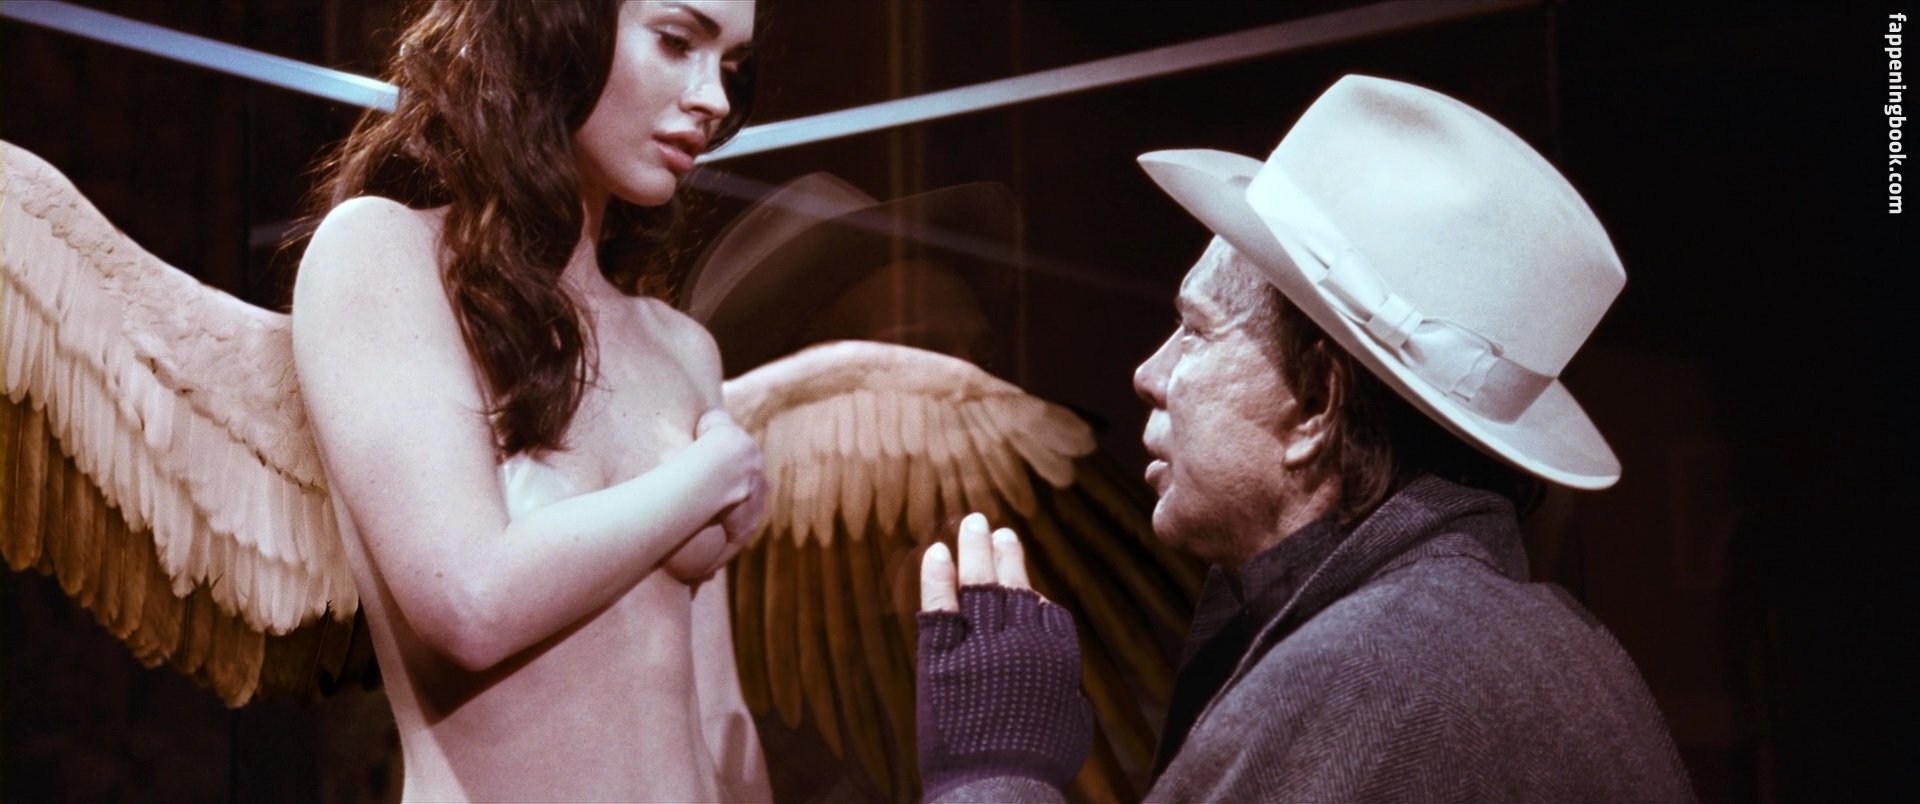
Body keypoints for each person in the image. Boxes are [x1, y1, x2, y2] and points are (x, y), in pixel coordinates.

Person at [915, 74, 1697, 801]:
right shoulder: (1550, 646)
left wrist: (994, 769)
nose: (1150, 373)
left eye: (1198, 330)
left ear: (1319, 401)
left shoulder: (1365, 678)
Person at [289, 2, 770, 800]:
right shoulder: (381, 255)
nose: (713, 99)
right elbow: (469, 602)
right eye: (677, 42)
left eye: (731, 67)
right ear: (556, 27)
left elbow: (719, 711)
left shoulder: (682, 348)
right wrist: (708, 478)